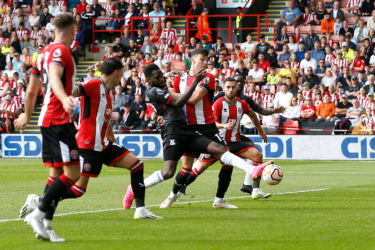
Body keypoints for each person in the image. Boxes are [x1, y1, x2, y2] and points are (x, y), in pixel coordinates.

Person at [123, 62, 270, 209]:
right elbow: (180, 102)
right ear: (148, 80)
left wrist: (172, 76)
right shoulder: (153, 92)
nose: (161, 79)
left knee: (220, 149)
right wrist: (194, 82)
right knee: (169, 172)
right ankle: (134, 189)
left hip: (187, 130)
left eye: (162, 75)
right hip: (172, 131)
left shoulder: (161, 87)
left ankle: (251, 170)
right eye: (157, 77)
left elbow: (170, 89)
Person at [15, 14, 79, 242]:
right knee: (73, 173)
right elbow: (54, 78)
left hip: (47, 119)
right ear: (74, 30)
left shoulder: (41, 53)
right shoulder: (61, 51)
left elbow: (32, 90)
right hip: (58, 119)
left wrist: (26, 114)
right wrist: (63, 99)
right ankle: (38, 213)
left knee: (56, 174)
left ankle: (47, 226)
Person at [160, 78, 272, 207]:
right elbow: (212, 123)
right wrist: (224, 126)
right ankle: (177, 191)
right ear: (223, 89)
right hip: (218, 142)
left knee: (256, 155)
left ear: (237, 89)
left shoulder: (242, 104)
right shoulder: (219, 103)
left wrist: (261, 131)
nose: (230, 89)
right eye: (228, 87)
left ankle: (252, 191)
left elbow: (253, 115)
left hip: (234, 141)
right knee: (199, 168)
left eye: (233, 87)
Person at [212, 74, 285, 195]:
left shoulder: (246, 100)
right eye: (236, 81)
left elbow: (259, 111)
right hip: (218, 135)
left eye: (241, 82)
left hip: (235, 134)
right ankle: (181, 184)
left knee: (256, 154)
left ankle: (250, 186)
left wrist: (271, 112)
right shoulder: (221, 96)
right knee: (203, 163)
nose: (238, 84)